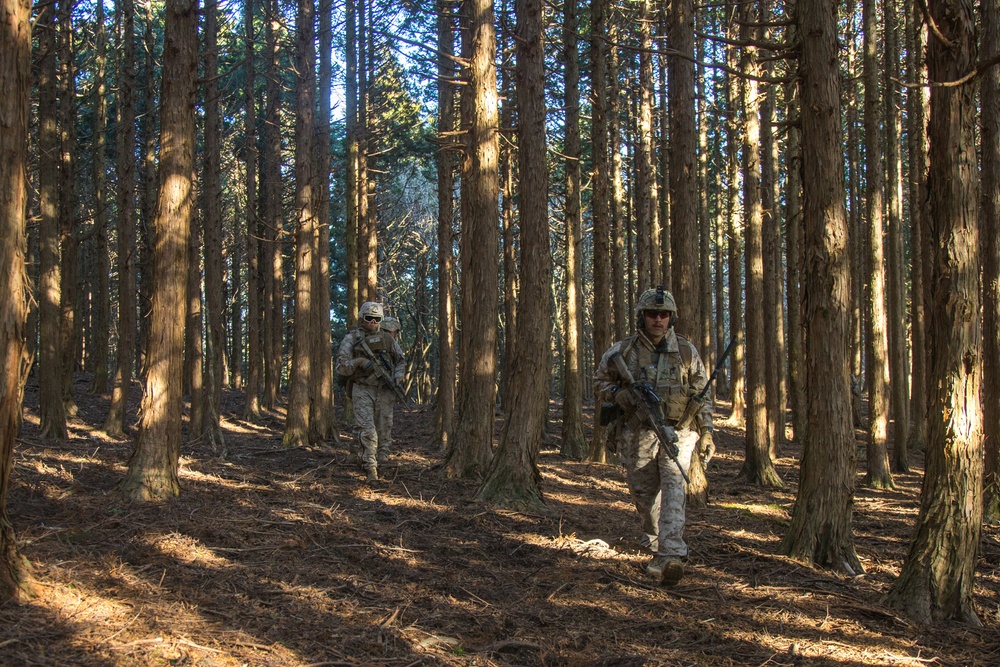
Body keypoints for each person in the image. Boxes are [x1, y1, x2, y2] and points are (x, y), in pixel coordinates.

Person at [593, 286, 714, 586]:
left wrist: (708, 431)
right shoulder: (623, 351)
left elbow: (701, 393)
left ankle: (672, 553)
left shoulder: (686, 351)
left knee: (675, 486)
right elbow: (598, 381)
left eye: (663, 315)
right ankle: (657, 545)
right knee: (644, 495)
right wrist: (617, 394)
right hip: (638, 432)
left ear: (671, 318)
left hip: (680, 431)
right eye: (652, 314)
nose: (658, 320)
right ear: (642, 317)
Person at [336, 302, 406, 483]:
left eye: (377, 319)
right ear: (361, 319)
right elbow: (342, 367)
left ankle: (378, 458)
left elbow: (400, 361)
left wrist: (397, 377)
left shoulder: (387, 339)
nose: (373, 322)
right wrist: (358, 362)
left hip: (384, 390)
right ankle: (371, 468)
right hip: (362, 388)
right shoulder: (351, 339)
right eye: (369, 318)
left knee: (384, 428)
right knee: (368, 430)